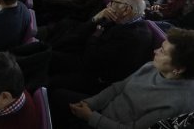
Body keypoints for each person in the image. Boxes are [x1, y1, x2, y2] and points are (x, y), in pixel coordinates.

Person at [51, 27, 194, 129]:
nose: (155, 51)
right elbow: (118, 87)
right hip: (101, 112)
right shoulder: (152, 66)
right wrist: (90, 103)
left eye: (162, 51)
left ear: (178, 69)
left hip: (104, 123)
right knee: (55, 96)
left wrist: (91, 117)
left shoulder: (176, 103)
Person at [43, 0, 153, 95]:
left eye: (112, 2)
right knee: (47, 55)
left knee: (48, 81)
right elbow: (82, 34)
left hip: (96, 78)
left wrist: (95, 35)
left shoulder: (134, 37)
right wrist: (97, 18)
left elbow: (91, 59)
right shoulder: (119, 19)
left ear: (126, 9)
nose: (108, 5)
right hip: (85, 58)